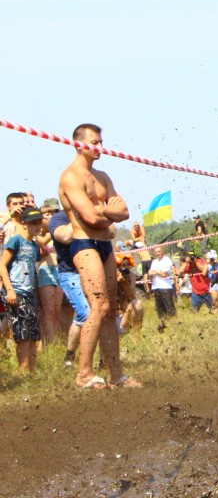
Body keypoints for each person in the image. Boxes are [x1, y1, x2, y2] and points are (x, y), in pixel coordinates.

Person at [58, 123, 141, 389]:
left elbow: (124, 212)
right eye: (94, 142)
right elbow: (90, 217)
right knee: (99, 307)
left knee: (110, 310)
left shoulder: (102, 176)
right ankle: (84, 373)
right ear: (79, 143)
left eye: (101, 142)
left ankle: (116, 374)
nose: (100, 147)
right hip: (84, 244)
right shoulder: (71, 177)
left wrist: (104, 213)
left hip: (105, 245)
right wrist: (108, 212)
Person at [0, 206, 45, 372]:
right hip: (16, 291)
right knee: (22, 333)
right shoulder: (16, 241)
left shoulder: (34, 246)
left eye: (39, 222)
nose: (37, 226)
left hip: (30, 293)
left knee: (33, 333)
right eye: (33, 223)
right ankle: (23, 370)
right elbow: (2, 265)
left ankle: (31, 369)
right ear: (24, 223)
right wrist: (10, 290)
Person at [48, 202, 87, 366]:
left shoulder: (91, 213)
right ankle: (70, 356)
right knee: (85, 313)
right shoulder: (58, 218)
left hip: (92, 271)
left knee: (100, 314)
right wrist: (79, 216)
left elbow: (111, 232)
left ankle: (100, 359)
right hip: (70, 273)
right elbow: (66, 237)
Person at [36, 198, 64, 346]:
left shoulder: (61, 227)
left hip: (60, 269)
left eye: (53, 212)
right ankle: (52, 345)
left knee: (57, 310)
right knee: (48, 311)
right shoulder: (38, 230)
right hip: (45, 269)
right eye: (46, 213)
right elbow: (41, 242)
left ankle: (53, 343)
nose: (50, 215)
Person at [147, 246, 177, 321]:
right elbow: (150, 273)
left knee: (169, 308)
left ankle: (174, 322)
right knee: (159, 309)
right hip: (156, 287)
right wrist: (157, 272)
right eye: (156, 252)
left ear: (162, 251)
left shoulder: (167, 260)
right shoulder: (154, 262)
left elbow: (164, 274)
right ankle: (163, 323)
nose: (158, 253)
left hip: (165, 287)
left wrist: (155, 271)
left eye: (159, 251)